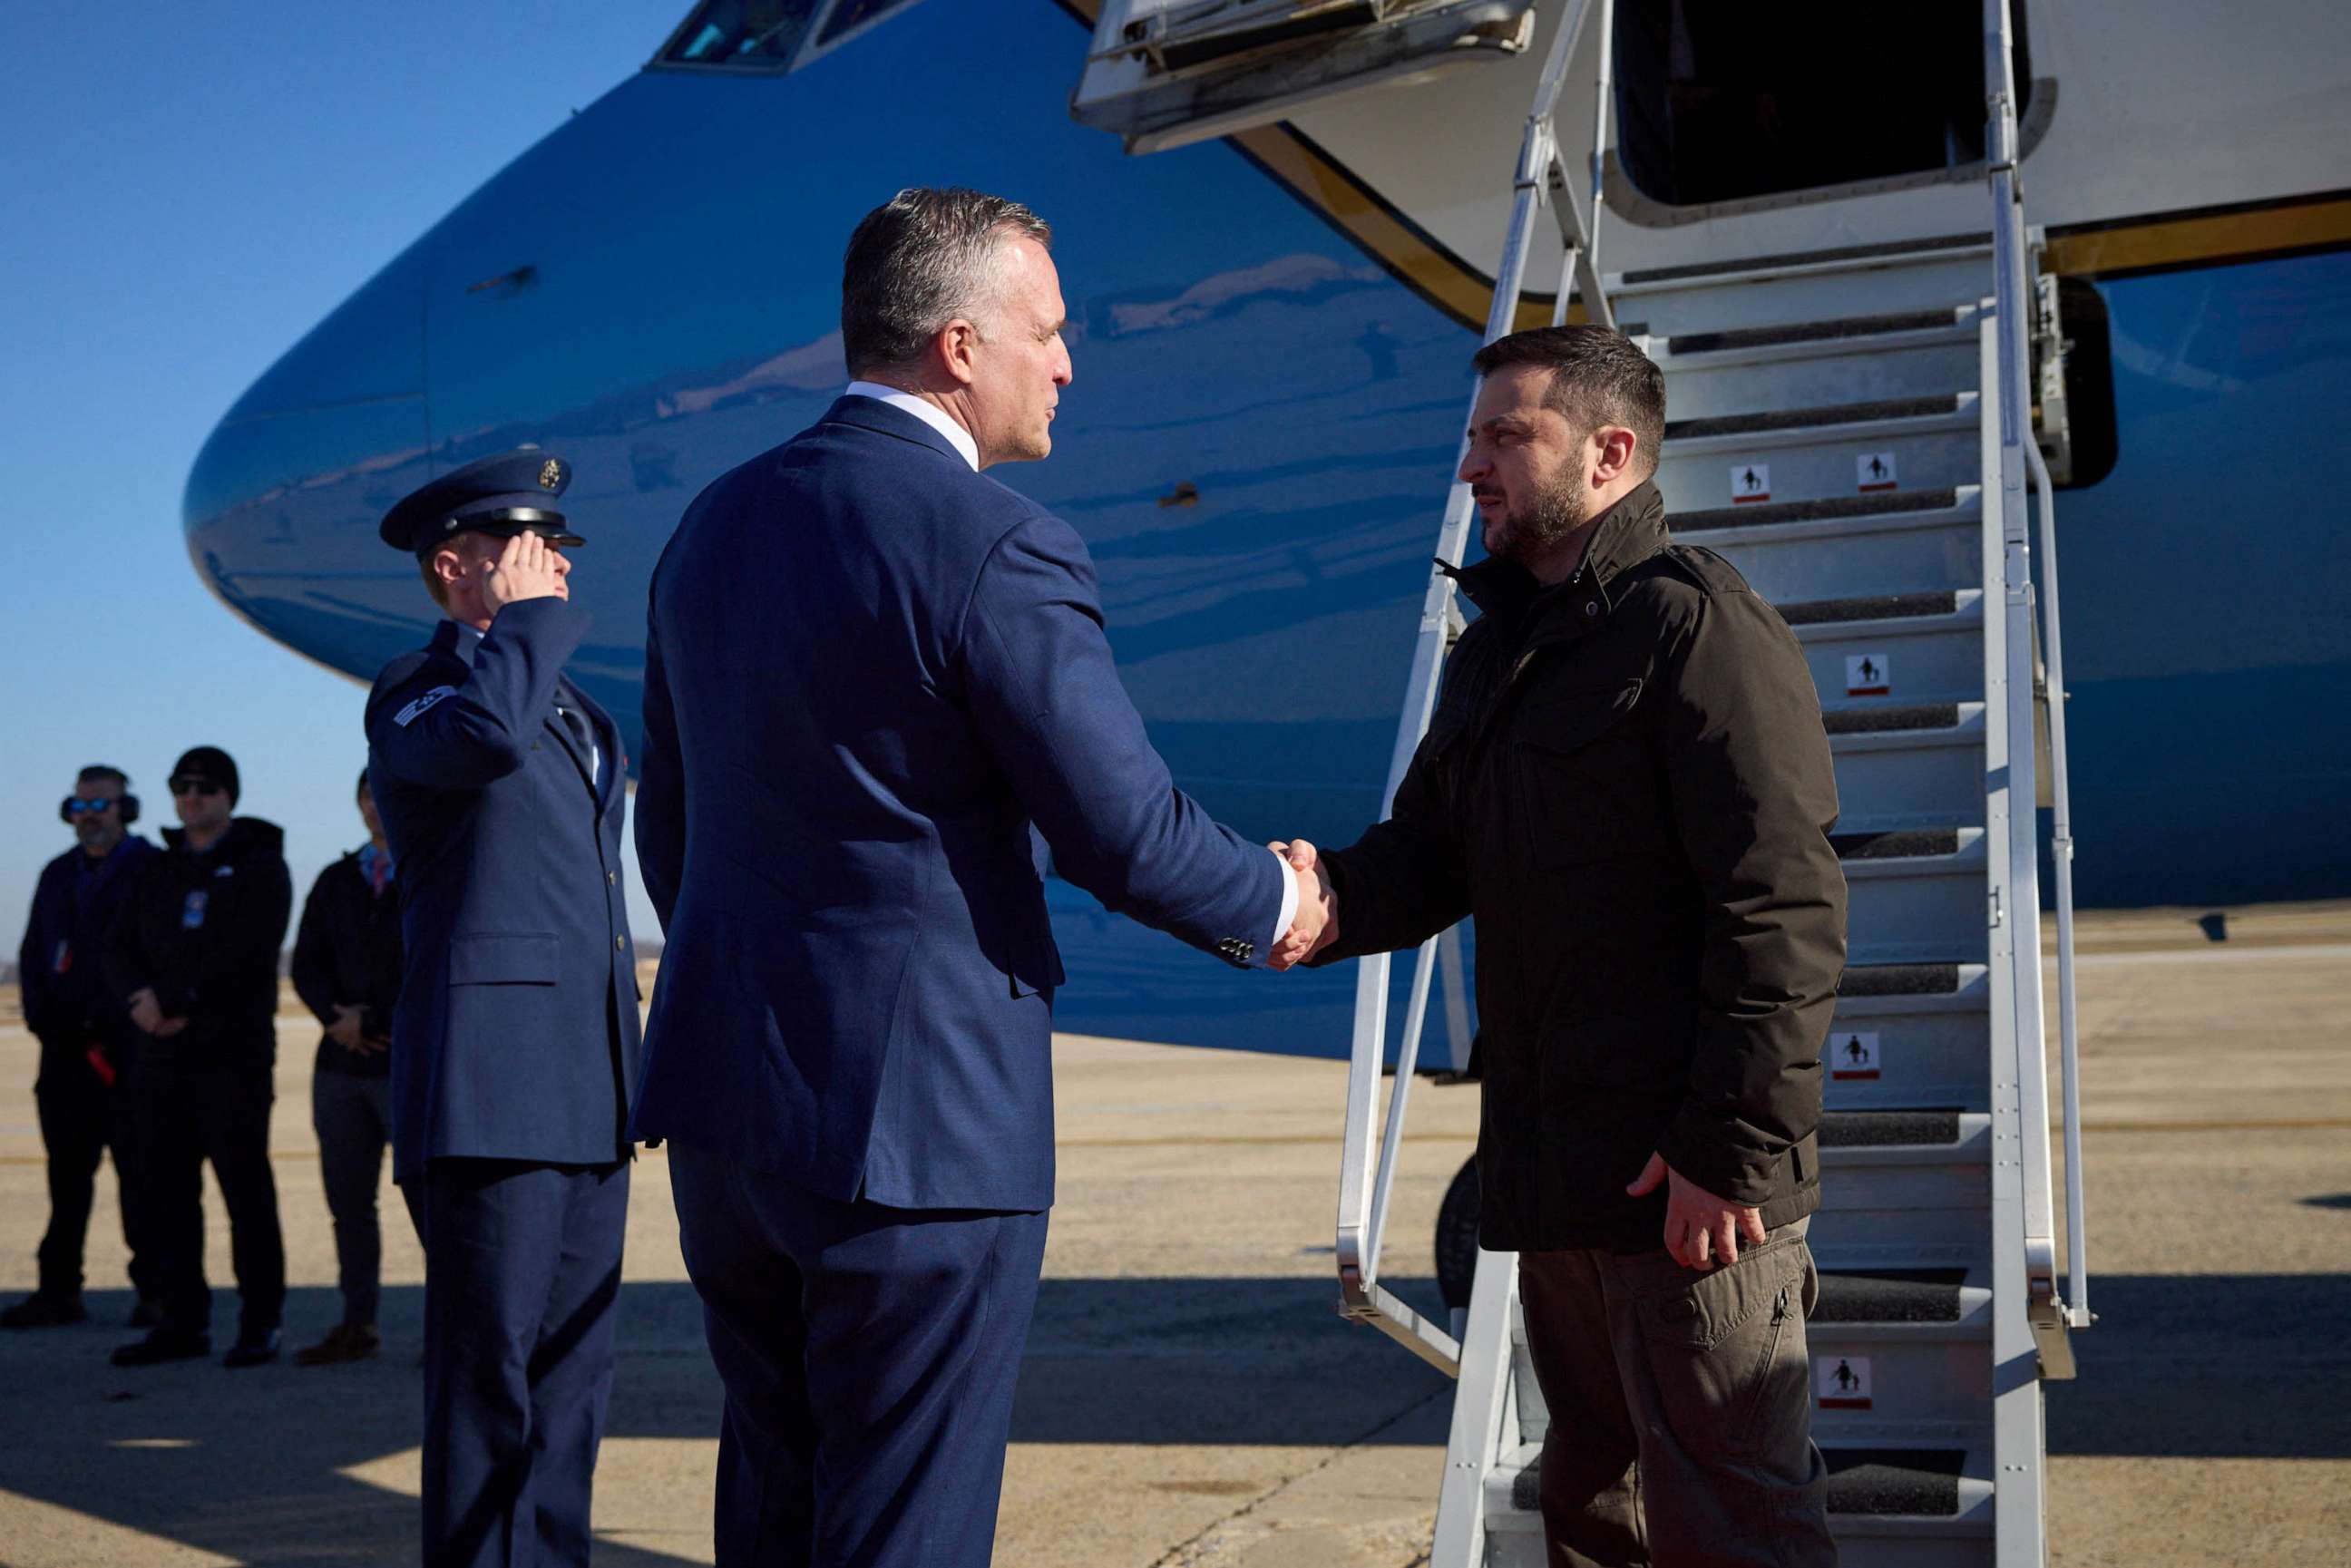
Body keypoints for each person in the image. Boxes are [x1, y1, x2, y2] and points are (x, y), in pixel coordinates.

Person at [629, 187, 1333, 1567]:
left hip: (726, 1110)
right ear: (961, 345)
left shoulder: (709, 528)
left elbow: (676, 827)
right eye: (1051, 331)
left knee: (775, 1501)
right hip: (920, 1130)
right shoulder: (994, 540)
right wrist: (1280, 901)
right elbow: (1121, 831)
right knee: (907, 1524)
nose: (1068, 362)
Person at [1283, 326, 1848, 1566]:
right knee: (1593, 1512)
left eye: (1505, 435)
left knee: (1735, 1526)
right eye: (1474, 433)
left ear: (1608, 454)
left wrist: (1730, 1155)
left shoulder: (1697, 630)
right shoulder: (1502, 652)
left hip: (1690, 1207)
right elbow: (1426, 856)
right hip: (1560, 1193)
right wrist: (1308, 903)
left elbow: (1783, 908)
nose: (1473, 462)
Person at [365, 450, 641, 1567]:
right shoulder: (417, 691)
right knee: (489, 1387)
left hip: (588, 1093)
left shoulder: (572, 712)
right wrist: (525, 626)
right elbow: (483, 739)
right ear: (454, 566)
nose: (551, 564)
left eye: (557, 548)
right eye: (524, 549)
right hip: (488, 1099)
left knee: (571, 1390)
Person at [103, 745, 293, 1368]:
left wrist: (182, 998)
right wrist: (141, 999)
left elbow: (249, 952)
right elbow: (119, 943)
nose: (192, 796)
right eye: (182, 786)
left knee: (245, 1193)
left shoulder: (262, 865)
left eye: (206, 787)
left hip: (231, 1058)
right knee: (166, 1194)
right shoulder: (155, 870)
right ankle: (182, 1320)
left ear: (229, 796)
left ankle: (260, 1322)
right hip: (160, 1057)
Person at [5, 765, 159, 1329]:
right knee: (66, 1179)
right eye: (79, 806)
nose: (89, 815)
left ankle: (155, 1291)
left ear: (127, 809)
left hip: (128, 1055)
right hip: (66, 1055)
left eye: (100, 804)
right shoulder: (56, 875)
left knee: (140, 1176)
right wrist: (49, 1024)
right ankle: (58, 1290)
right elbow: (33, 954)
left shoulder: (149, 869)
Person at [288, 768, 422, 1366]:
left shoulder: (430, 871)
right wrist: (337, 1018)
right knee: (349, 1204)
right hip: (339, 1068)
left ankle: (454, 1327)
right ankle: (357, 1321)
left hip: (406, 1064)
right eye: (367, 795)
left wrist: (375, 1018)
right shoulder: (337, 879)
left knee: (430, 1202)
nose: (375, 805)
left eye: (384, 792)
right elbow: (306, 963)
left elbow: (437, 956)